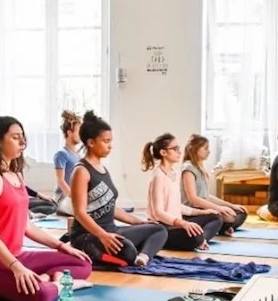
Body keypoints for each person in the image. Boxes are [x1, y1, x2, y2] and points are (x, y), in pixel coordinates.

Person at [0, 116, 93, 301]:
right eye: (15, 137)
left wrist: (61, 246)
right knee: (39, 297)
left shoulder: (16, 174)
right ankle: (57, 284)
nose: (23, 142)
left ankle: (46, 279)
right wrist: (17, 267)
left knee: (82, 263)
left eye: (23, 137)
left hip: (16, 255)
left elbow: (25, 225)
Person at [68, 112, 168, 267]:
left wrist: (139, 223)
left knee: (159, 230)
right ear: (91, 142)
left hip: (112, 230)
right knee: (128, 251)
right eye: (106, 141)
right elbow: (79, 212)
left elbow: (111, 208)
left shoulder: (103, 169)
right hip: (89, 236)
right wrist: (102, 235)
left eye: (111, 141)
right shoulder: (81, 171)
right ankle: (94, 252)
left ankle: (142, 258)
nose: (110, 145)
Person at [143, 133, 223, 251]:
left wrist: (201, 212)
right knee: (195, 236)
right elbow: (158, 212)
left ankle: (201, 241)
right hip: (163, 226)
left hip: (176, 222)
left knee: (215, 217)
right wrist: (183, 223)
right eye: (175, 149)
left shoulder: (174, 173)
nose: (179, 152)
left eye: (179, 149)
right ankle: (199, 240)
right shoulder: (158, 176)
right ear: (163, 152)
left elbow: (176, 206)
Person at [181, 134, 248, 235]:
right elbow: (193, 199)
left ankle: (220, 227)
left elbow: (206, 196)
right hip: (193, 211)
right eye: (205, 149)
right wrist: (218, 208)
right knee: (229, 218)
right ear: (194, 150)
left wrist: (231, 205)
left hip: (202, 207)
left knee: (241, 212)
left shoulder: (199, 168)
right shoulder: (188, 169)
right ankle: (220, 227)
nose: (209, 152)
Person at [52, 110, 81, 216]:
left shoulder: (78, 154)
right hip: (63, 197)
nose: (81, 135)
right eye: (78, 132)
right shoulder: (61, 154)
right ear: (70, 133)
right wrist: (74, 198)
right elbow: (60, 180)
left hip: (75, 196)